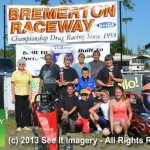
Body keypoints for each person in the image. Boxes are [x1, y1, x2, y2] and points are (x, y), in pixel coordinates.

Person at [11, 58, 32, 131]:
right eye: (20, 64)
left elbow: (30, 84)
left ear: (25, 65)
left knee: (26, 110)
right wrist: (13, 97)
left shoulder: (28, 72)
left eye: (23, 64)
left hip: (26, 94)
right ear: (18, 65)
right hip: (18, 94)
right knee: (18, 111)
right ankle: (19, 126)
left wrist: (30, 94)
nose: (21, 65)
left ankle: (24, 125)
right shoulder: (15, 73)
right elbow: (12, 85)